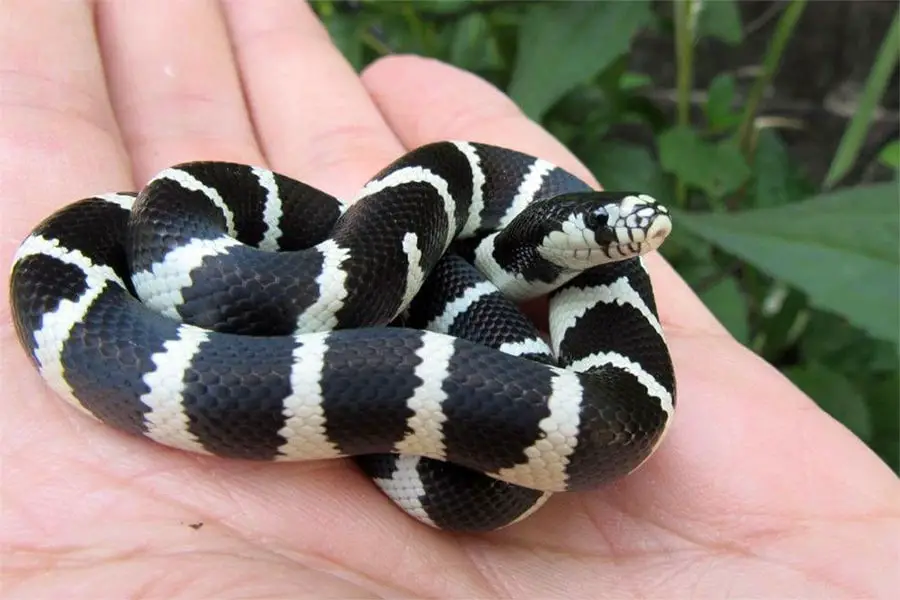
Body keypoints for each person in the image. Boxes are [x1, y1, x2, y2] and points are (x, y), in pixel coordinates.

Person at [1, 2, 896, 597]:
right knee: (161, 224)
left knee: (479, 417)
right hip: (193, 270)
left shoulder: (563, 361)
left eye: (630, 241)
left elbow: (599, 401)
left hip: (483, 348)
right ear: (552, 232)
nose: (627, 251)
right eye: (609, 235)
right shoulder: (428, 214)